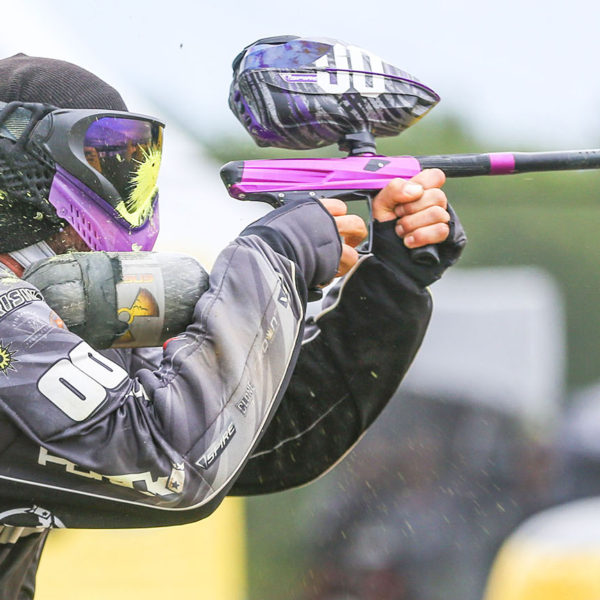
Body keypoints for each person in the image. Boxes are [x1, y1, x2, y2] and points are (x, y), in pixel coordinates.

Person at [0, 53, 465, 598]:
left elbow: (254, 439)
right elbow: (172, 463)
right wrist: (273, 257)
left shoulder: (48, 313)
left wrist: (390, 286)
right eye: (107, 163)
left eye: (136, 165)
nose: (128, 190)